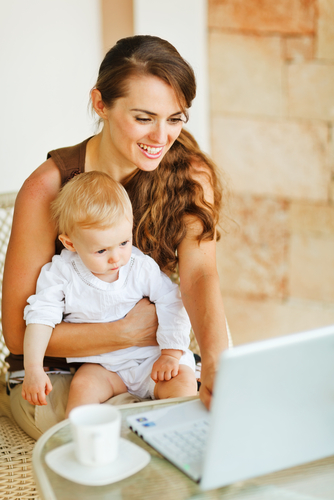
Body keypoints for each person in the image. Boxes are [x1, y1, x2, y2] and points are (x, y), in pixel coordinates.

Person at [2, 34, 229, 440]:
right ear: (101, 104)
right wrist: (126, 329)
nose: (161, 137)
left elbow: (199, 277)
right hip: (56, 368)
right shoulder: (48, 188)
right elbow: (18, 335)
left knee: (207, 423)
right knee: (116, 437)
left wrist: (215, 359)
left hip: (145, 357)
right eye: (144, 118)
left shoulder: (190, 176)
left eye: (175, 118)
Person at [22, 171, 197, 416]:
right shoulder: (61, 273)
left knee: (183, 385)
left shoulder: (139, 266)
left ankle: (177, 435)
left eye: (124, 242)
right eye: (101, 250)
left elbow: (172, 300)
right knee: (83, 387)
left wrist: (170, 354)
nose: (117, 257)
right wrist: (33, 369)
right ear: (70, 243)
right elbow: (40, 317)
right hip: (103, 366)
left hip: (152, 359)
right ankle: (81, 440)